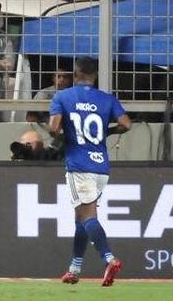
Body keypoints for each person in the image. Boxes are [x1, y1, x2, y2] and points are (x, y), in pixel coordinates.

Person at [48, 56, 131, 287]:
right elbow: (126, 124)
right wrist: (108, 132)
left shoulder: (62, 96)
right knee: (81, 217)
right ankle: (74, 269)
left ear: (75, 74)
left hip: (78, 164)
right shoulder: (106, 99)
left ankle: (109, 258)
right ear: (95, 76)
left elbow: (53, 128)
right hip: (101, 167)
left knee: (87, 216)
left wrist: (67, 137)